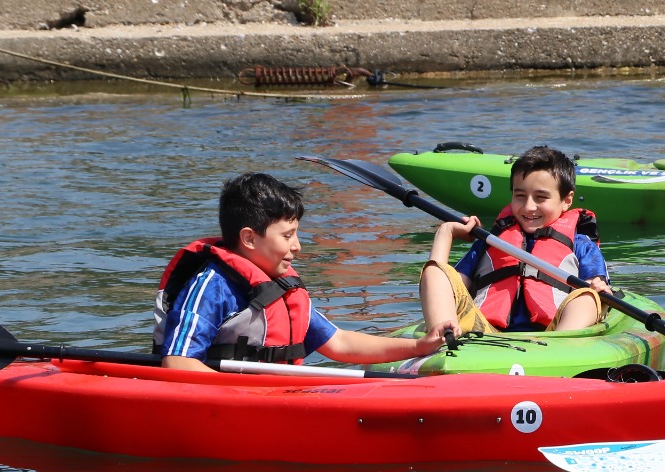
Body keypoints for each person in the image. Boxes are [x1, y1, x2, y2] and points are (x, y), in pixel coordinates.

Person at [154, 172, 447, 372]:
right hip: (232, 403)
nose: (297, 246)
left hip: (274, 396)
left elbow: (340, 343)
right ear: (249, 238)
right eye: (287, 235)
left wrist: (419, 346)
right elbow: (178, 363)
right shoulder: (210, 287)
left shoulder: (281, 286)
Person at [420, 145, 612, 336]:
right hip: (486, 333)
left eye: (540, 197)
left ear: (567, 200)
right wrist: (446, 233)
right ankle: (442, 338)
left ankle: (558, 354)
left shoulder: (580, 245)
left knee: (588, 296)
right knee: (434, 271)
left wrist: (598, 290)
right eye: (520, 196)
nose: (529, 207)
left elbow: (595, 289)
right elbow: (448, 288)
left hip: (552, 335)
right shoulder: (490, 242)